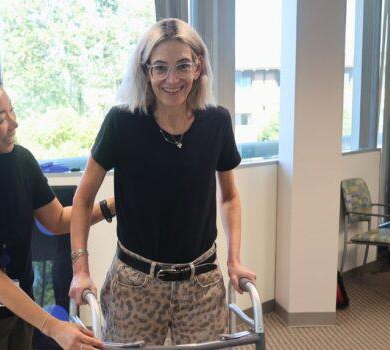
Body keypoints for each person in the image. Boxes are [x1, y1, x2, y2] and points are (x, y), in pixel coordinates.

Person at [68, 18, 256, 346]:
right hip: (135, 283)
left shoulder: (217, 121)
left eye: (183, 65)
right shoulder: (122, 122)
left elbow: (229, 197)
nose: (172, 79)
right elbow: (82, 201)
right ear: (146, 71)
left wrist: (234, 260)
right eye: (160, 68)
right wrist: (80, 269)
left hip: (201, 282)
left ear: (198, 66)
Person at [0, 69, 115, 350]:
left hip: (22, 312)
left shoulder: (21, 161)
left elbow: (57, 220)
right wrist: (53, 327)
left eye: (11, 111)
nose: (14, 123)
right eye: (0, 119)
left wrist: (112, 205)